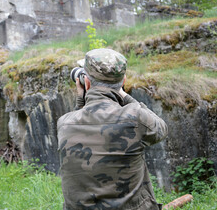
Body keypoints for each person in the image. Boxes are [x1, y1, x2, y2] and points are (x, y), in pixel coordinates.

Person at [57, 48, 168, 210]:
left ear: (86, 83)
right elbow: (161, 129)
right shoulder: (136, 117)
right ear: (123, 82)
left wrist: (81, 99)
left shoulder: (64, 123)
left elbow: (78, 119)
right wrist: (123, 95)